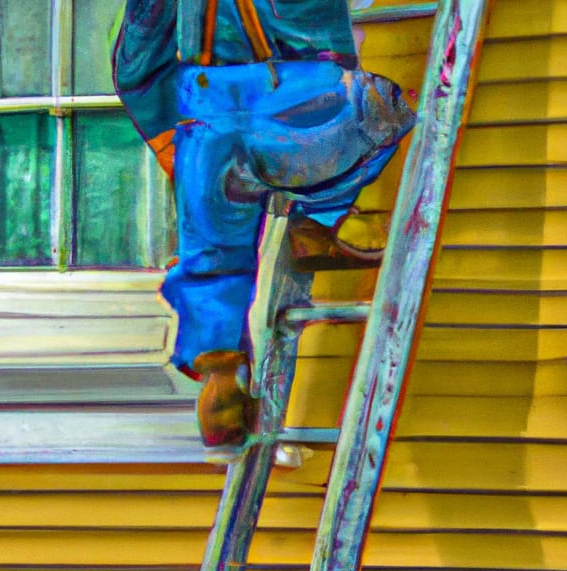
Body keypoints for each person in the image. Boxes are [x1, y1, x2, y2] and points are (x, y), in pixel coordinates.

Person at [113, 0, 414, 446]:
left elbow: (134, 62)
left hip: (204, 104)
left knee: (212, 257)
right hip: (298, 98)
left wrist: (167, 139)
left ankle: (219, 378)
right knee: (386, 110)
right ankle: (317, 219)